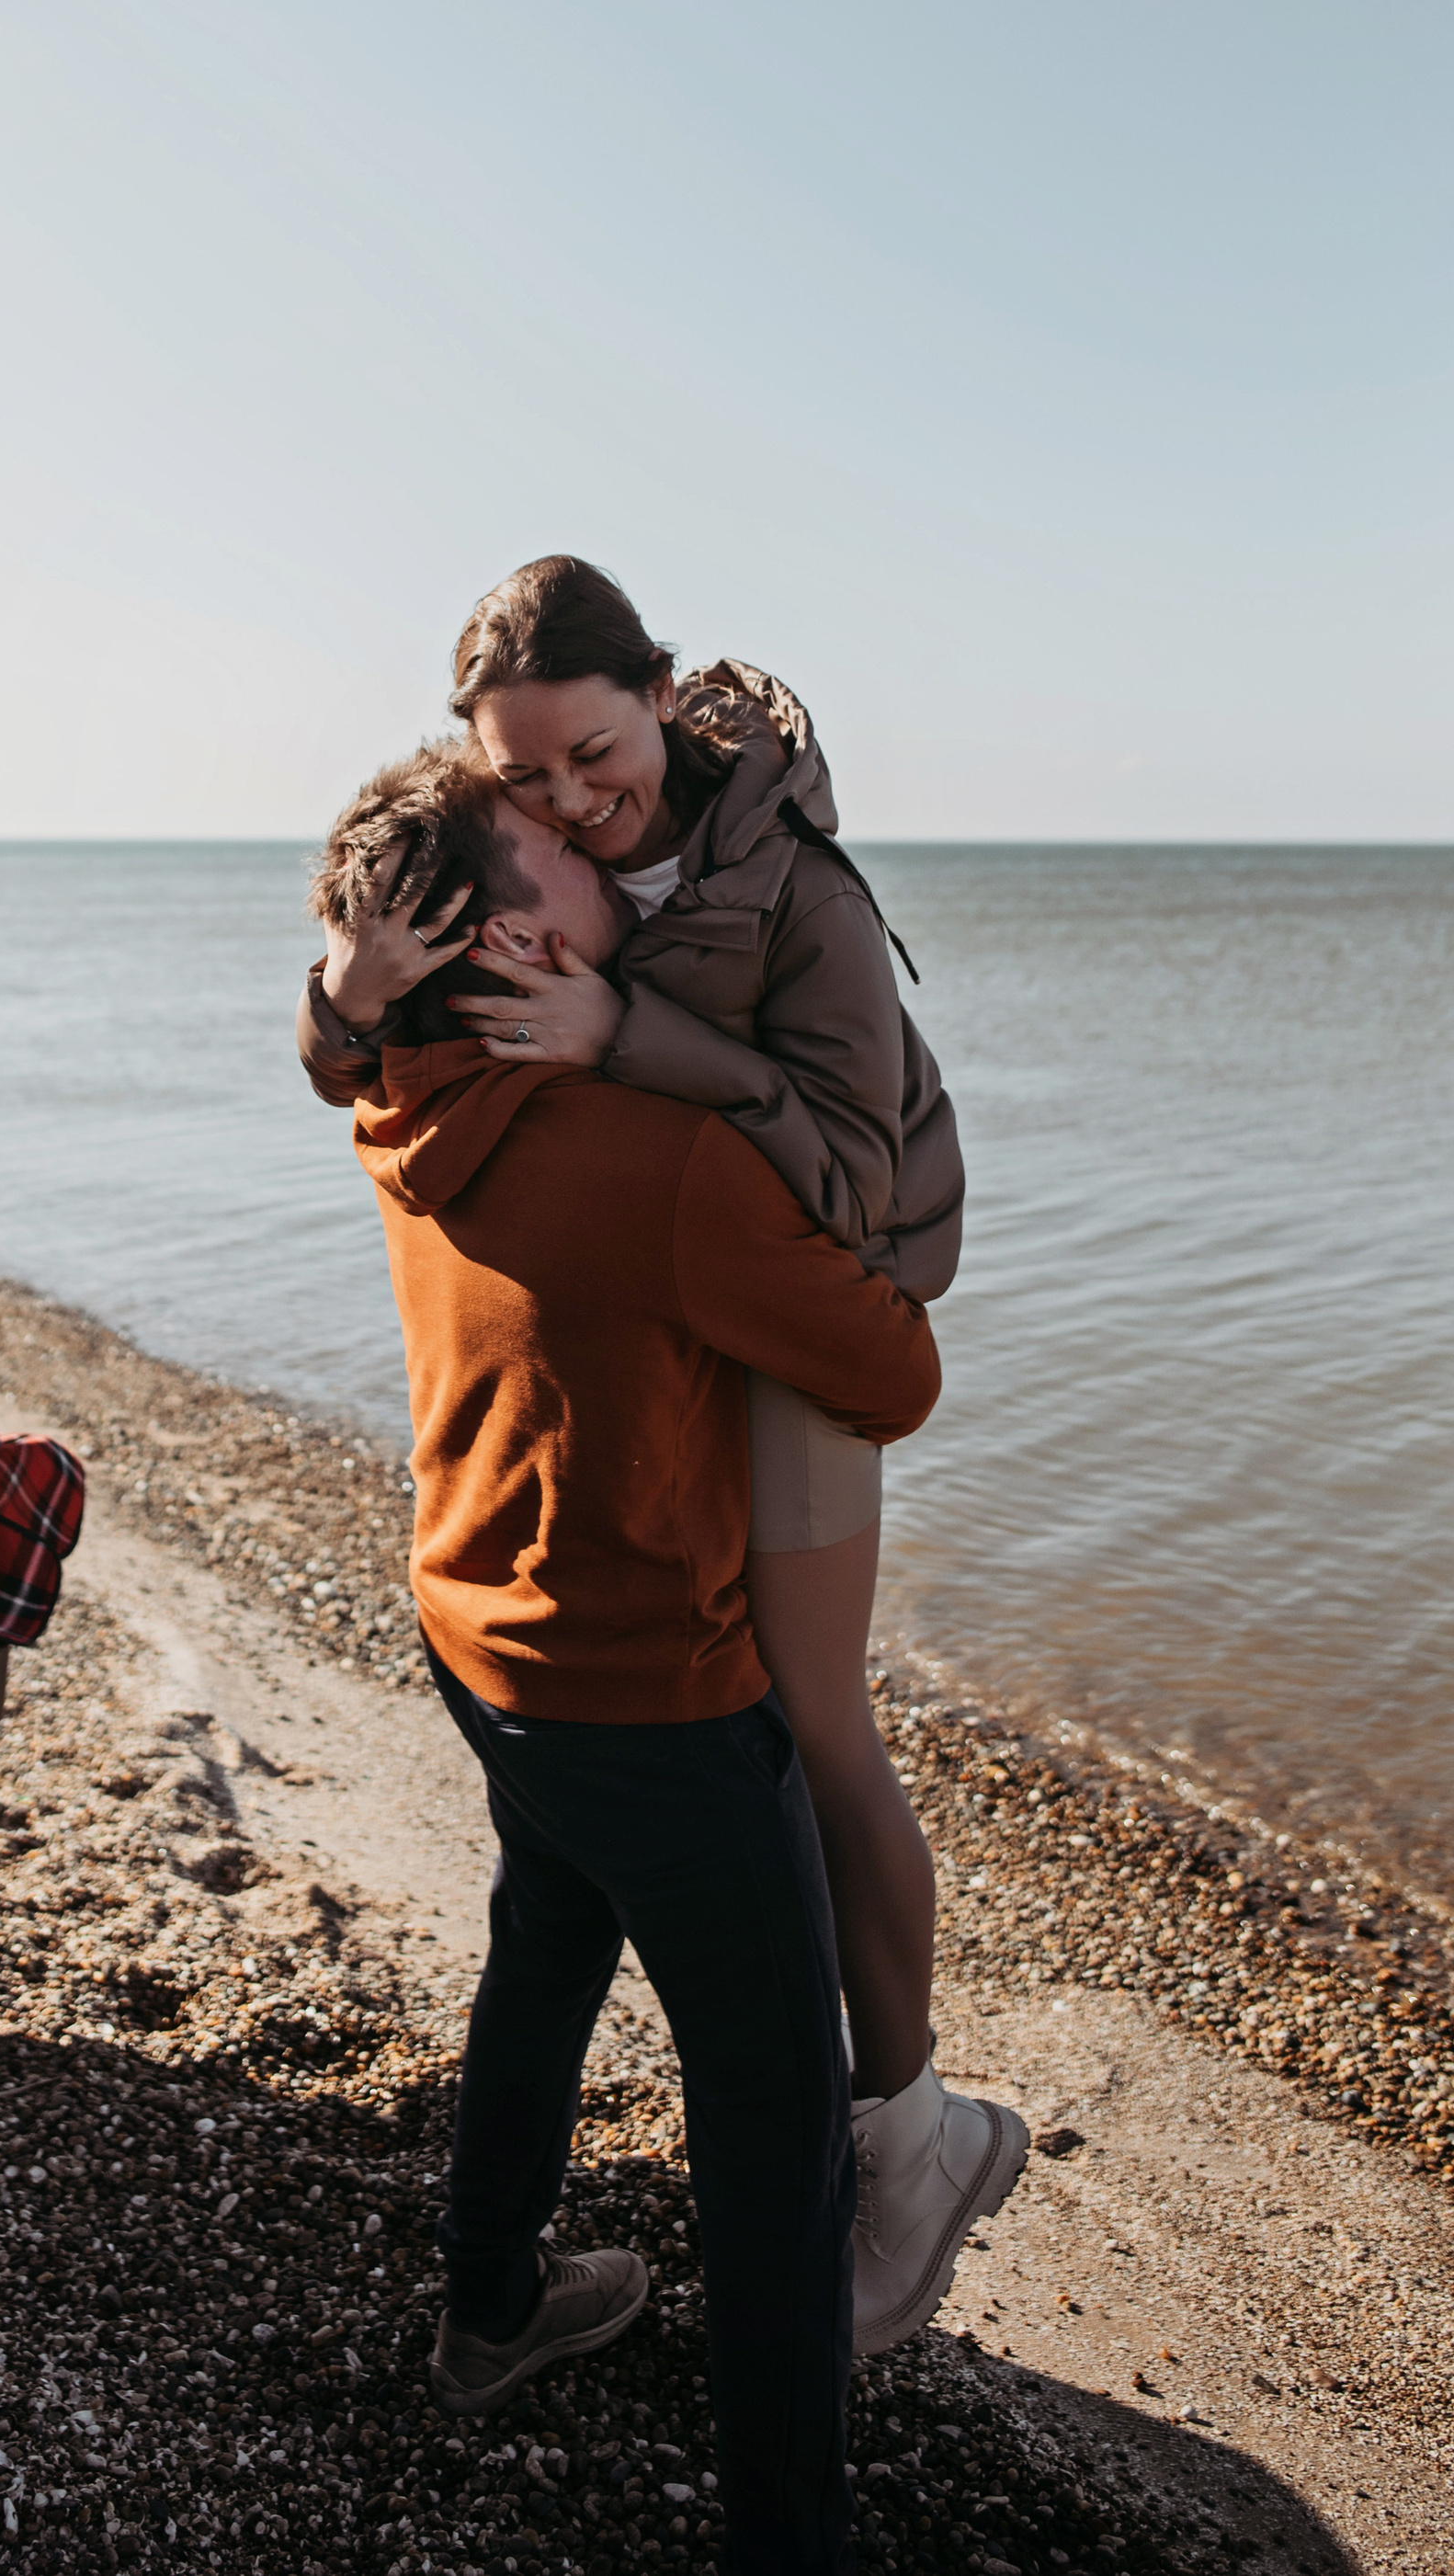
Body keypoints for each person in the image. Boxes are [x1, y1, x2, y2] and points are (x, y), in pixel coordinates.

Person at [299, 562, 1021, 2353]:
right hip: (689, 1292)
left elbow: (850, 1175)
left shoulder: (798, 893)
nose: (557, 804)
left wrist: (634, 1040)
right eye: (522, 778)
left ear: (663, 696)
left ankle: (906, 2137)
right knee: (579, 1890)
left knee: (811, 1724)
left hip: (803, 1294)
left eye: (589, 756)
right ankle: (629, 2241)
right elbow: (386, 1034)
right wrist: (335, 999)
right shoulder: (532, 840)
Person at [331, 749, 950, 2575]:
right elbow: (893, 1378)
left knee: (542, 1950)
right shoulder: (660, 1159)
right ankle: (788, 2539)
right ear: (512, 929)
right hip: (645, 1692)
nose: (604, 833)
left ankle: (492, 2305)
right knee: (771, 2130)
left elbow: (347, 1030)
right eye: (553, 834)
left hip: (474, 1624)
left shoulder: (389, 1081)